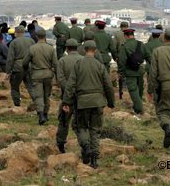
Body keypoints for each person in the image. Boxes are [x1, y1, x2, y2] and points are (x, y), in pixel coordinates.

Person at [62, 40, 114, 168]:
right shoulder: (100, 65)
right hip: (97, 102)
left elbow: (71, 84)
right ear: (95, 50)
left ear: (84, 50)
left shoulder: (79, 64)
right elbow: (108, 85)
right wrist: (111, 102)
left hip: (82, 102)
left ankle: (85, 146)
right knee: (95, 130)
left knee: (81, 127)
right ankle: (94, 160)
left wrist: (66, 101)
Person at [23, 28, 58, 125]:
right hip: (48, 74)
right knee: (47, 95)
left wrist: (27, 69)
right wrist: (57, 76)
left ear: (37, 37)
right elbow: (55, 64)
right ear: (45, 36)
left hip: (36, 74)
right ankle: (46, 114)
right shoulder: (51, 48)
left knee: (39, 96)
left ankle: (41, 115)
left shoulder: (32, 48)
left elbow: (25, 62)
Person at [55, 39, 83, 153]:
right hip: (82, 96)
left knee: (64, 120)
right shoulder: (83, 60)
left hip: (67, 96)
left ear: (67, 48)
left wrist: (68, 90)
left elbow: (60, 79)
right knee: (81, 122)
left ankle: (61, 143)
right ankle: (84, 144)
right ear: (77, 48)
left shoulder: (62, 61)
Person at [117, 29, 150, 115]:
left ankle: (139, 109)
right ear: (133, 35)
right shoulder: (141, 44)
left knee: (133, 90)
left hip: (130, 72)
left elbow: (122, 61)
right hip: (140, 70)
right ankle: (137, 107)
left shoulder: (125, 46)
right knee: (140, 89)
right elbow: (149, 57)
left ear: (126, 36)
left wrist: (121, 72)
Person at [6, 26, 36, 107]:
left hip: (18, 67)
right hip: (29, 66)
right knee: (31, 86)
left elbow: (10, 58)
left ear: (16, 33)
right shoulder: (31, 41)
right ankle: (37, 102)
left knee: (15, 86)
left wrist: (8, 71)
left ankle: (17, 104)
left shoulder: (14, 42)